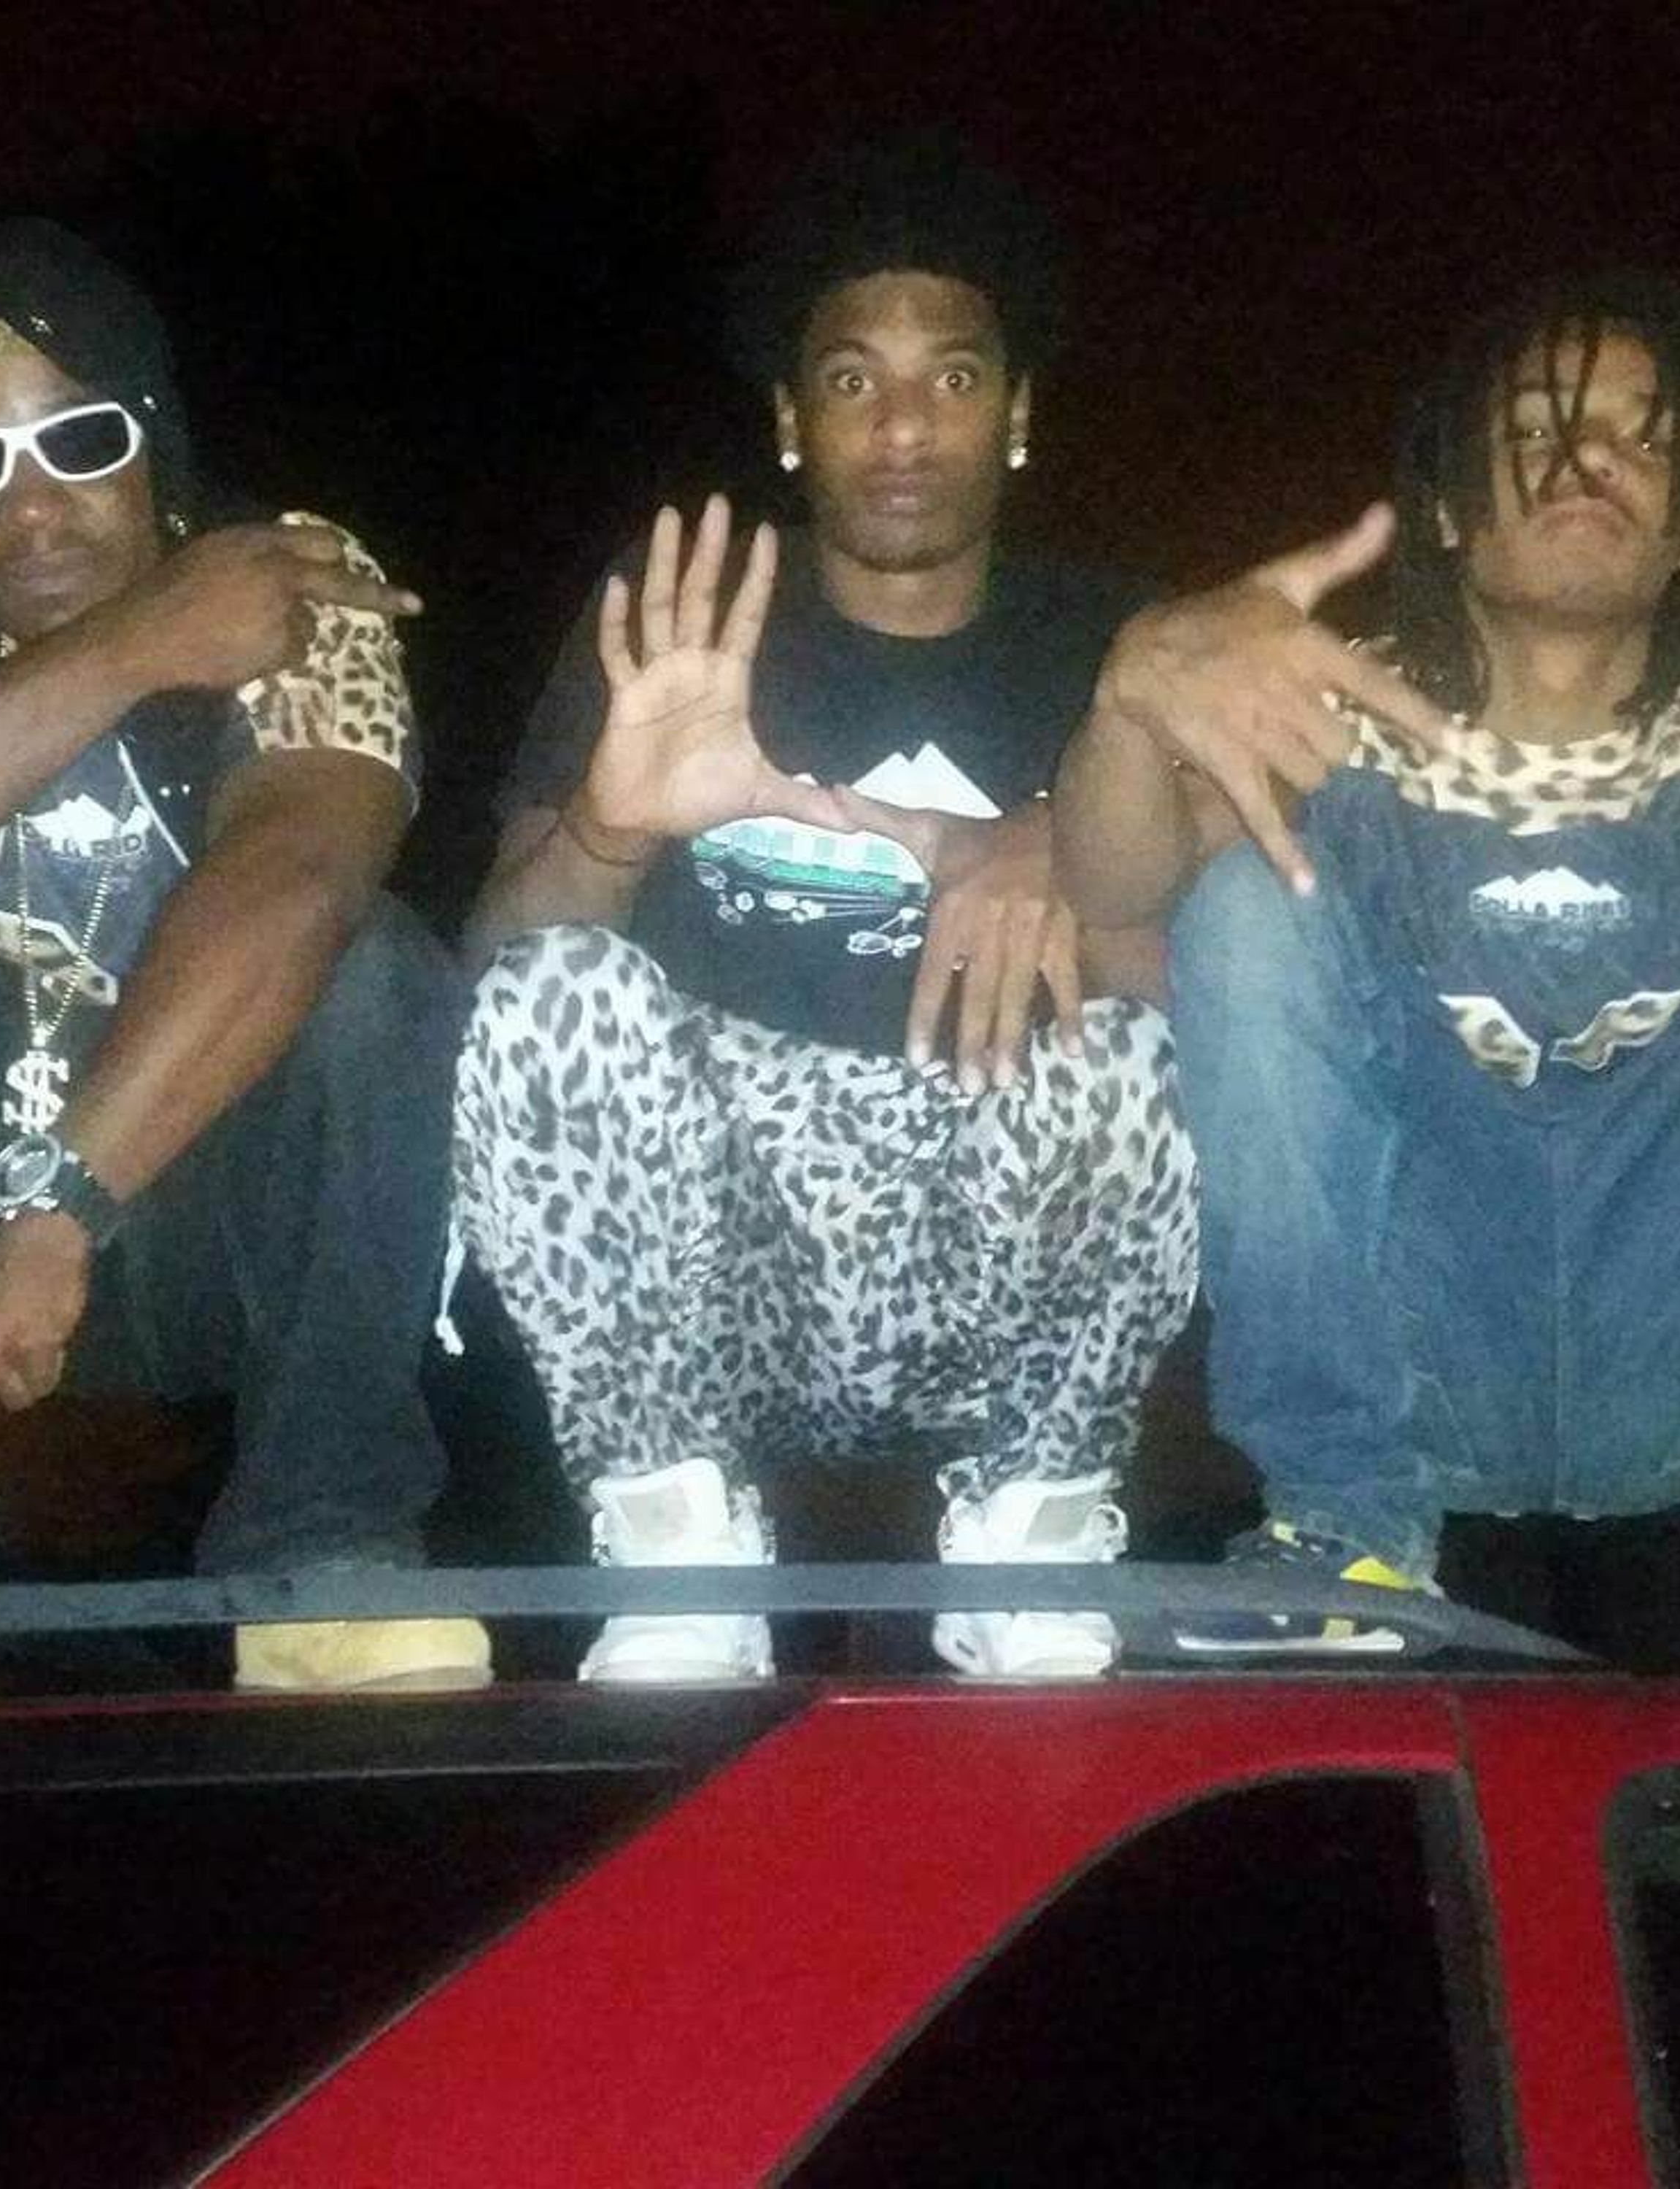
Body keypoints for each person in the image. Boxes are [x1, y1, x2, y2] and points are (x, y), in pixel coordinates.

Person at [0, 218, 486, 1710]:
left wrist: (61, 1212)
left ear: (155, 443)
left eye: (80, 440)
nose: (32, 505)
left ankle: (329, 1554)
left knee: (374, 971)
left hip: (196, 1203)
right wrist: (127, 649)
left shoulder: (291, 575)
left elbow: (301, 877)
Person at [454, 140, 1199, 1684]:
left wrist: (1065, 844)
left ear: (1018, 415)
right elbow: (495, 976)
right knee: (553, 986)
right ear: (792, 423)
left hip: (992, 1242)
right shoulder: (685, 618)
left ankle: (1035, 1536)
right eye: (854, 381)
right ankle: (679, 1550)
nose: (905, 425)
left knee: (1137, 1042)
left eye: (954, 378)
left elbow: (1212, 990)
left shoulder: (1116, 646)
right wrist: (610, 825)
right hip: (718, 1270)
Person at [1054, 269, 1680, 1679]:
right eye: (1539, 429)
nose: (1591, 459)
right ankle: (1342, 1536)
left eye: (1648, 437)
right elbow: (1115, 893)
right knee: (1247, 901)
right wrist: (1133, 689)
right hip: (1422, 1333)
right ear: (1443, 505)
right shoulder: (1327, 710)